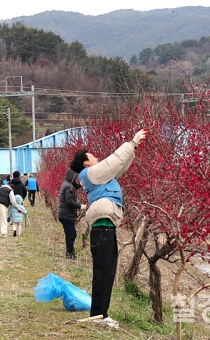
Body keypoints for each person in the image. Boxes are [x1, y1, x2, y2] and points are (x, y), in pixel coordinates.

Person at [69, 129, 147, 328]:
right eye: (92, 156)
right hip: (103, 228)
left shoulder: (95, 176)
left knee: (105, 272)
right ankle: (100, 316)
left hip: (104, 227)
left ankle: (100, 314)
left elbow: (118, 166)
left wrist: (134, 148)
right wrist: (131, 141)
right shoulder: (91, 173)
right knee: (104, 272)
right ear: (85, 162)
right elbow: (113, 161)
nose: (96, 157)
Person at [57, 168, 86, 260]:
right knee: (71, 235)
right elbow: (69, 200)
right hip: (67, 215)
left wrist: (81, 184)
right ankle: (70, 254)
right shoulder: (68, 186)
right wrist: (80, 206)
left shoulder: (67, 184)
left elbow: (74, 187)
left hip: (65, 214)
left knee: (72, 234)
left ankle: (70, 252)